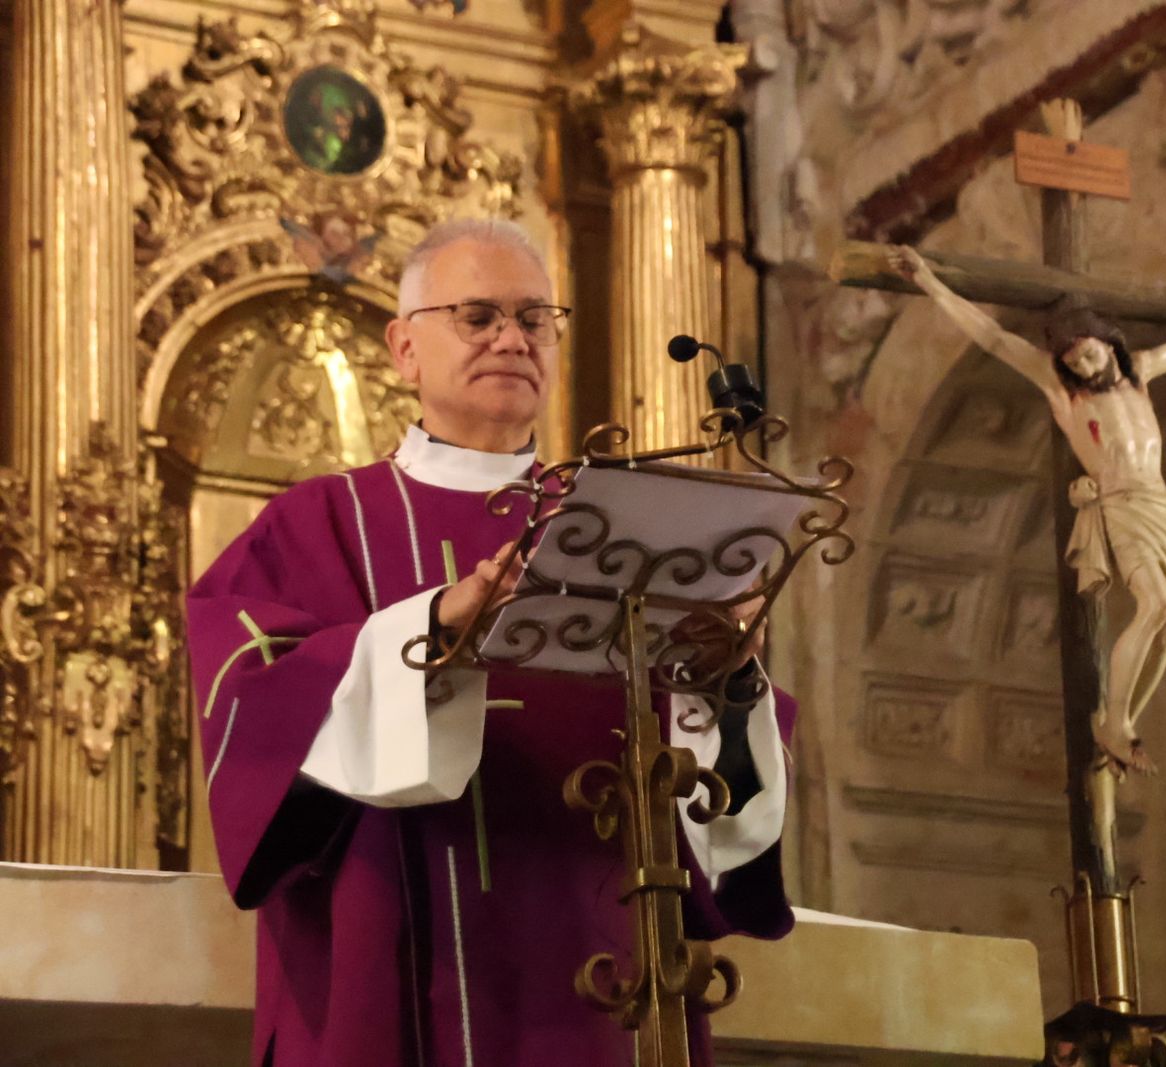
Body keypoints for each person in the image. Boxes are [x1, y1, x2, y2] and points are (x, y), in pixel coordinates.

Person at [188, 219, 793, 1067]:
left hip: (605, 966)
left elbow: (705, 788)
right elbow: (253, 713)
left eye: (535, 318)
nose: (512, 337)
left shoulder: (636, 527)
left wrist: (723, 672)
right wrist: (433, 625)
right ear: (404, 348)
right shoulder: (318, 522)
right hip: (392, 975)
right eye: (478, 316)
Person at [886, 245, 1166, 773]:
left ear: (1109, 344)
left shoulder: (1139, 374)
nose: (1084, 366)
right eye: (1072, 362)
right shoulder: (1065, 394)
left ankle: (1123, 720)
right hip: (1122, 504)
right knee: (1155, 606)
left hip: (1159, 503)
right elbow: (994, 338)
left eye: (1089, 354)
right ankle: (1114, 722)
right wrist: (930, 283)